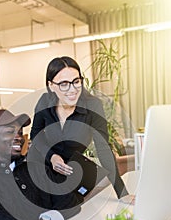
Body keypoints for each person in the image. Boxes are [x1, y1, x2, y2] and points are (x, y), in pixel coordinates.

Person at [30, 56, 134, 203]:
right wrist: (52, 156)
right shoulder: (44, 102)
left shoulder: (93, 105)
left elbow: (103, 148)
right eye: (64, 84)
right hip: (42, 167)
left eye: (76, 81)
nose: (72, 89)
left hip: (71, 172)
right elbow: (36, 135)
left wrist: (122, 193)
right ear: (51, 85)